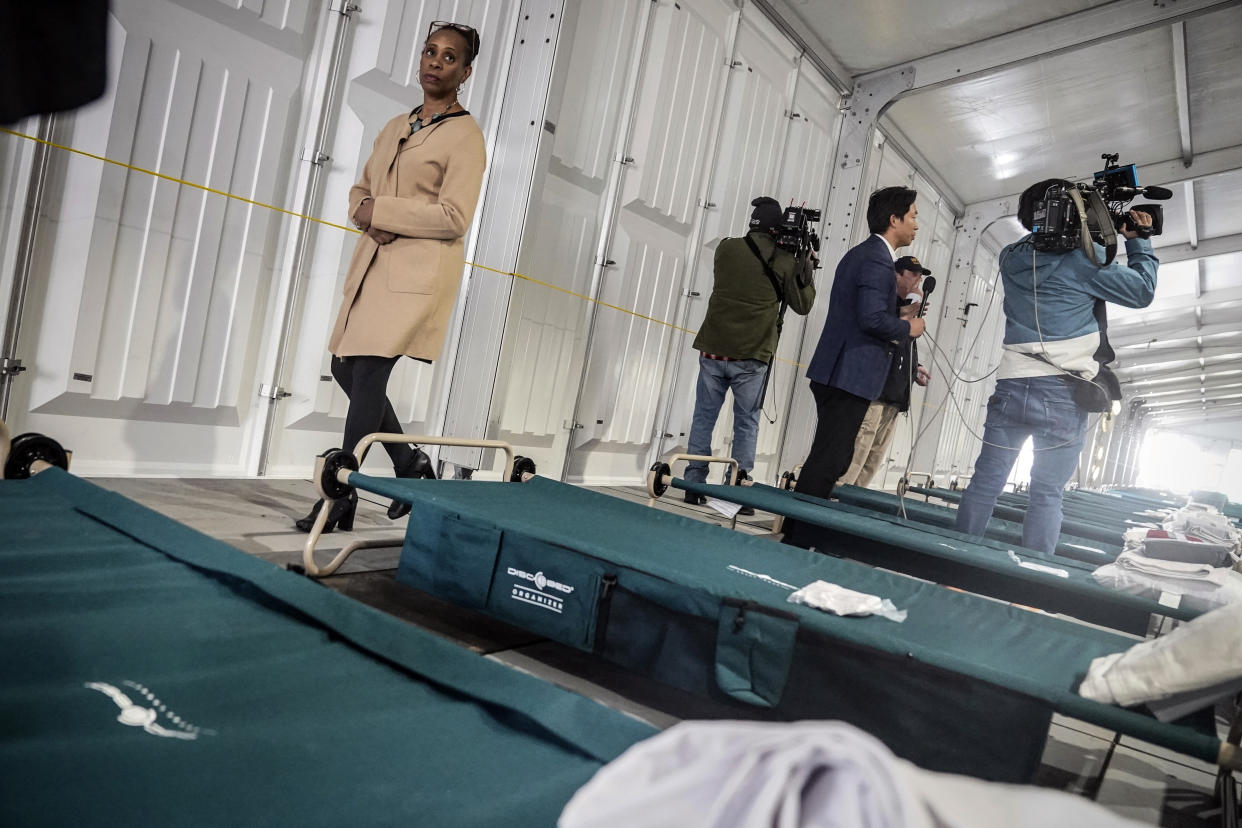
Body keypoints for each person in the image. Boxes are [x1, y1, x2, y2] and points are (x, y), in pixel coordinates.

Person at [295, 21, 487, 532]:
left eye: (449, 57)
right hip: (373, 267)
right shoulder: (395, 124)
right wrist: (365, 210)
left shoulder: (466, 136)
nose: (435, 62)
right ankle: (410, 465)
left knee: (369, 374)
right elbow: (360, 190)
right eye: (430, 52)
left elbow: (454, 216)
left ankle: (342, 495)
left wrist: (382, 213)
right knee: (345, 370)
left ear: (465, 72)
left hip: (416, 275)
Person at [955, 178, 1157, 553]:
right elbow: (1142, 292)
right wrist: (1138, 240)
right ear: (1075, 215)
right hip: (1063, 393)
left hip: (1012, 384)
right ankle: (1033, 582)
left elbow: (1050, 249)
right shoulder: (1086, 260)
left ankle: (953, 564)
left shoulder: (1011, 256)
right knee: (1046, 493)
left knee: (985, 481)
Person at [782, 186, 926, 549]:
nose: (917, 225)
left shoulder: (865, 255)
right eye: (913, 216)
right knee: (829, 460)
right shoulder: (877, 259)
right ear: (894, 220)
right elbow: (872, 319)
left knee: (830, 456)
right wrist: (908, 326)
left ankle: (801, 533)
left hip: (842, 371)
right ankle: (800, 539)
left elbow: (868, 312)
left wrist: (898, 314)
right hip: (848, 374)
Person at [683, 197, 816, 512]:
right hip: (751, 356)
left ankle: (693, 483)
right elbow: (803, 304)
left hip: (713, 350)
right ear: (777, 229)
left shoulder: (725, 249)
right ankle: (738, 489)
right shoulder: (783, 261)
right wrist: (805, 266)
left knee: (704, 416)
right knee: (746, 423)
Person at [836, 255, 932, 489]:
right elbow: (876, 333)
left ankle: (855, 500)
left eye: (920, 276)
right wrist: (903, 316)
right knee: (860, 445)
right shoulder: (883, 306)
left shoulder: (911, 313)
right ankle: (837, 494)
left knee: (876, 453)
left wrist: (914, 366)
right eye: (912, 274)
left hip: (896, 393)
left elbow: (905, 344)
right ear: (896, 275)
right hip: (876, 390)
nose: (918, 280)